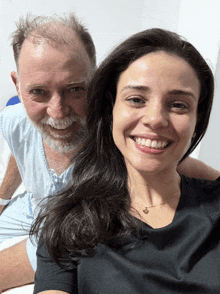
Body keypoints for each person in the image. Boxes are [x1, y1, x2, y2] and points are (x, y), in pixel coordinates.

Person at [32, 28, 220, 294]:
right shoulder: (69, 222)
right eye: (136, 99)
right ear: (110, 110)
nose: (155, 119)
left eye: (178, 105)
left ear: (197, 119)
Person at [0, 13, 96, 292]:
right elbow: (21, 152)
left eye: (75, 89)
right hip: (32, 207)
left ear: (96, 78)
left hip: (68, 228)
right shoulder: (13, 118)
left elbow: (177, 167)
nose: (58, 112)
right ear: (17, 85)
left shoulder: (118, 135)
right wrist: (3, 197)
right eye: (39, 92)